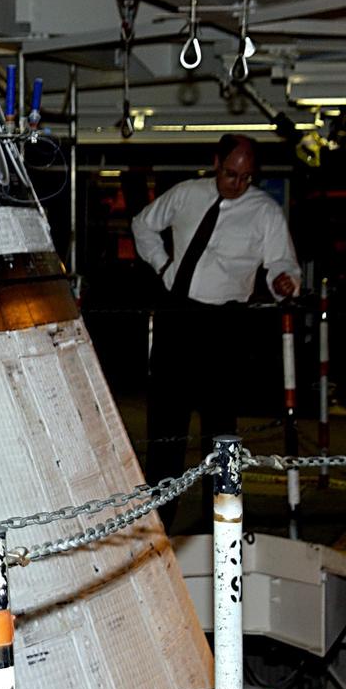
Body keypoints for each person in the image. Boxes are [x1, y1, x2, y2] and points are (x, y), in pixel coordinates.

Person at [132, 134, 301, 526]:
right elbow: (142, 224)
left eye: (246, 177)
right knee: (166, 428)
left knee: (221, 430)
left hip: (225, 324)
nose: (237, 184)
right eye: (230, 174)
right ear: (216, 163)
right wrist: (161, 265)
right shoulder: (186, 194)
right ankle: (159, 522)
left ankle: (223, 523)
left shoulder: (264, 211)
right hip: (177, 316)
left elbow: (282, 261)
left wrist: (284, 282)